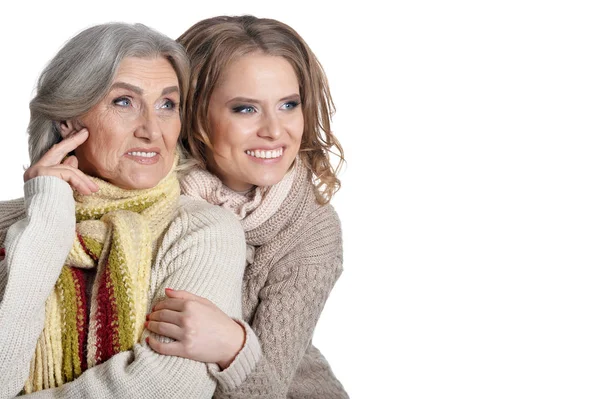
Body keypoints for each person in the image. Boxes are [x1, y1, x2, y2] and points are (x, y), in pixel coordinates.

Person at [0, 22, 261, 398]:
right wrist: (46, 221)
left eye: (167, 105)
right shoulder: (16, 227)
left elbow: (171, 387)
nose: (152, 130)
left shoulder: (202, 230)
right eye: (124, 102)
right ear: (69, 120)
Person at [146, 15, 348, 398]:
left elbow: (269, 390)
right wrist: (49, 189)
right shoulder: (149, 184)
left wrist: (231, 347)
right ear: (193, 112)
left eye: (289, 105)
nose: (274, 130)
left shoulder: (312, 228)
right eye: (245, 109)